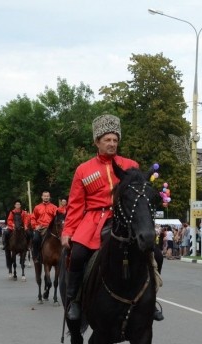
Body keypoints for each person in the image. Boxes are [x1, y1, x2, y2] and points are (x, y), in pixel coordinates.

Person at [61, 114, 163, 322]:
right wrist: (68, 231)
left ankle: (150, 300)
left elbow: (140, 195)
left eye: (115, 140)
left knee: (156, 254)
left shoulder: (129, 165)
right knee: (78, 254)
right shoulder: (83, 170)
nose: (112, 143)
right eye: (107, 140)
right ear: (97, 142)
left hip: (124, 217)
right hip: (92, 221)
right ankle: (74, 301)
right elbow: (75, 205)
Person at [30, 191, 58, 262]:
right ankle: (36, 256)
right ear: (42, 197)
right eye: (45, 196)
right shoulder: (37, 207)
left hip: (50, 228)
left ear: (49, 197)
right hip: (40, 228)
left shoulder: (54, 207)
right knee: (35, 239)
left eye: (47, 196)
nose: (46, 197)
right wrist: (35, 226)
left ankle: (63, 256)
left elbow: (57, 218)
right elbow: (33, 218)